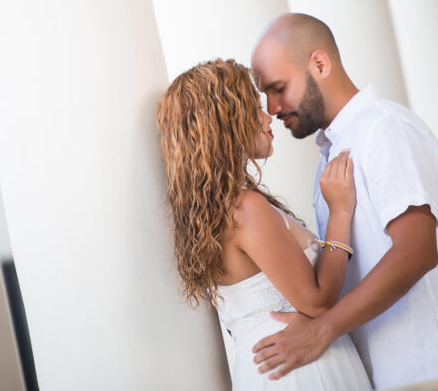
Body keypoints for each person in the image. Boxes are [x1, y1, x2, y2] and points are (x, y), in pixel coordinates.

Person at [249, 13, 438, 389]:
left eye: (278, 87)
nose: (272, 106)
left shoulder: (384, 129)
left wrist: (322, 331)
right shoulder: (329, 160)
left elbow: (417, 251)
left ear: (320, 63)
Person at [157, 59, 372, 390]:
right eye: (254, 109)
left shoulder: (222, 210)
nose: (267, 116)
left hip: (278, 368)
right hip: (300, 372)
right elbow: (317, 301)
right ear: (225, 124)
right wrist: (341, 212)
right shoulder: (245, 208)